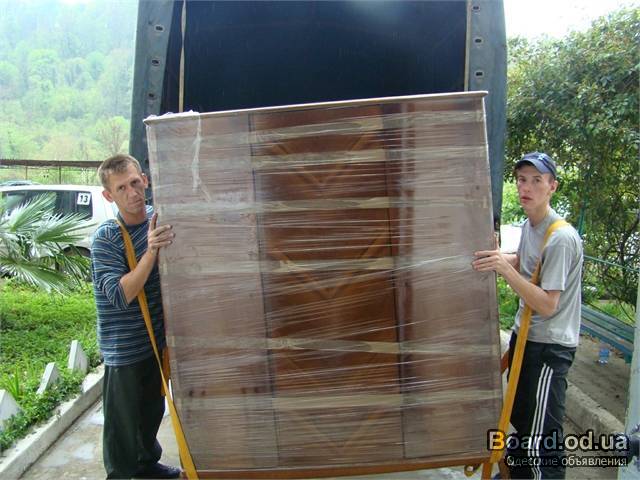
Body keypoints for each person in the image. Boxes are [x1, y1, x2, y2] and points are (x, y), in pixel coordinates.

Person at [472, 152, 583, 479]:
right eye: (522, 180)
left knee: (543, 438)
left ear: (552, 187)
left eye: (537, 180)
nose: (527, 187)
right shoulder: (531, 226)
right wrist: (495, 259)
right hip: (526, 340)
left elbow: (548, 304)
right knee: (523, 422)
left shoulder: (560, 238)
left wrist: (504, 269)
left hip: (549, 349)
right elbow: (525, 262)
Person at [91, 154, 180, 479]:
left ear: (145, 180)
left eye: (134, 182)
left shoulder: (160, 220)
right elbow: (121, 295)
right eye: (121, 188)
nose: (132, 193)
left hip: (155, 344)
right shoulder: (107, 238)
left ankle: (147, 466)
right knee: (123, 427)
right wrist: (151, 251)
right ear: (109, 195)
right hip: (124, 350)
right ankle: (121, 474)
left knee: (150, 413)